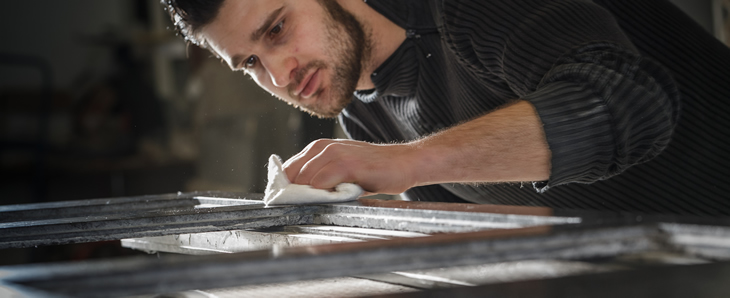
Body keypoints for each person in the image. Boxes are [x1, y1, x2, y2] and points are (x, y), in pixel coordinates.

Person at [163, 0, 730, 216]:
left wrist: (405, 164)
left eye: (279, 28)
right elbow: (503, 229)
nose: (281, 74)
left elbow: (630, 102)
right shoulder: (362, 113)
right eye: (251, 64)